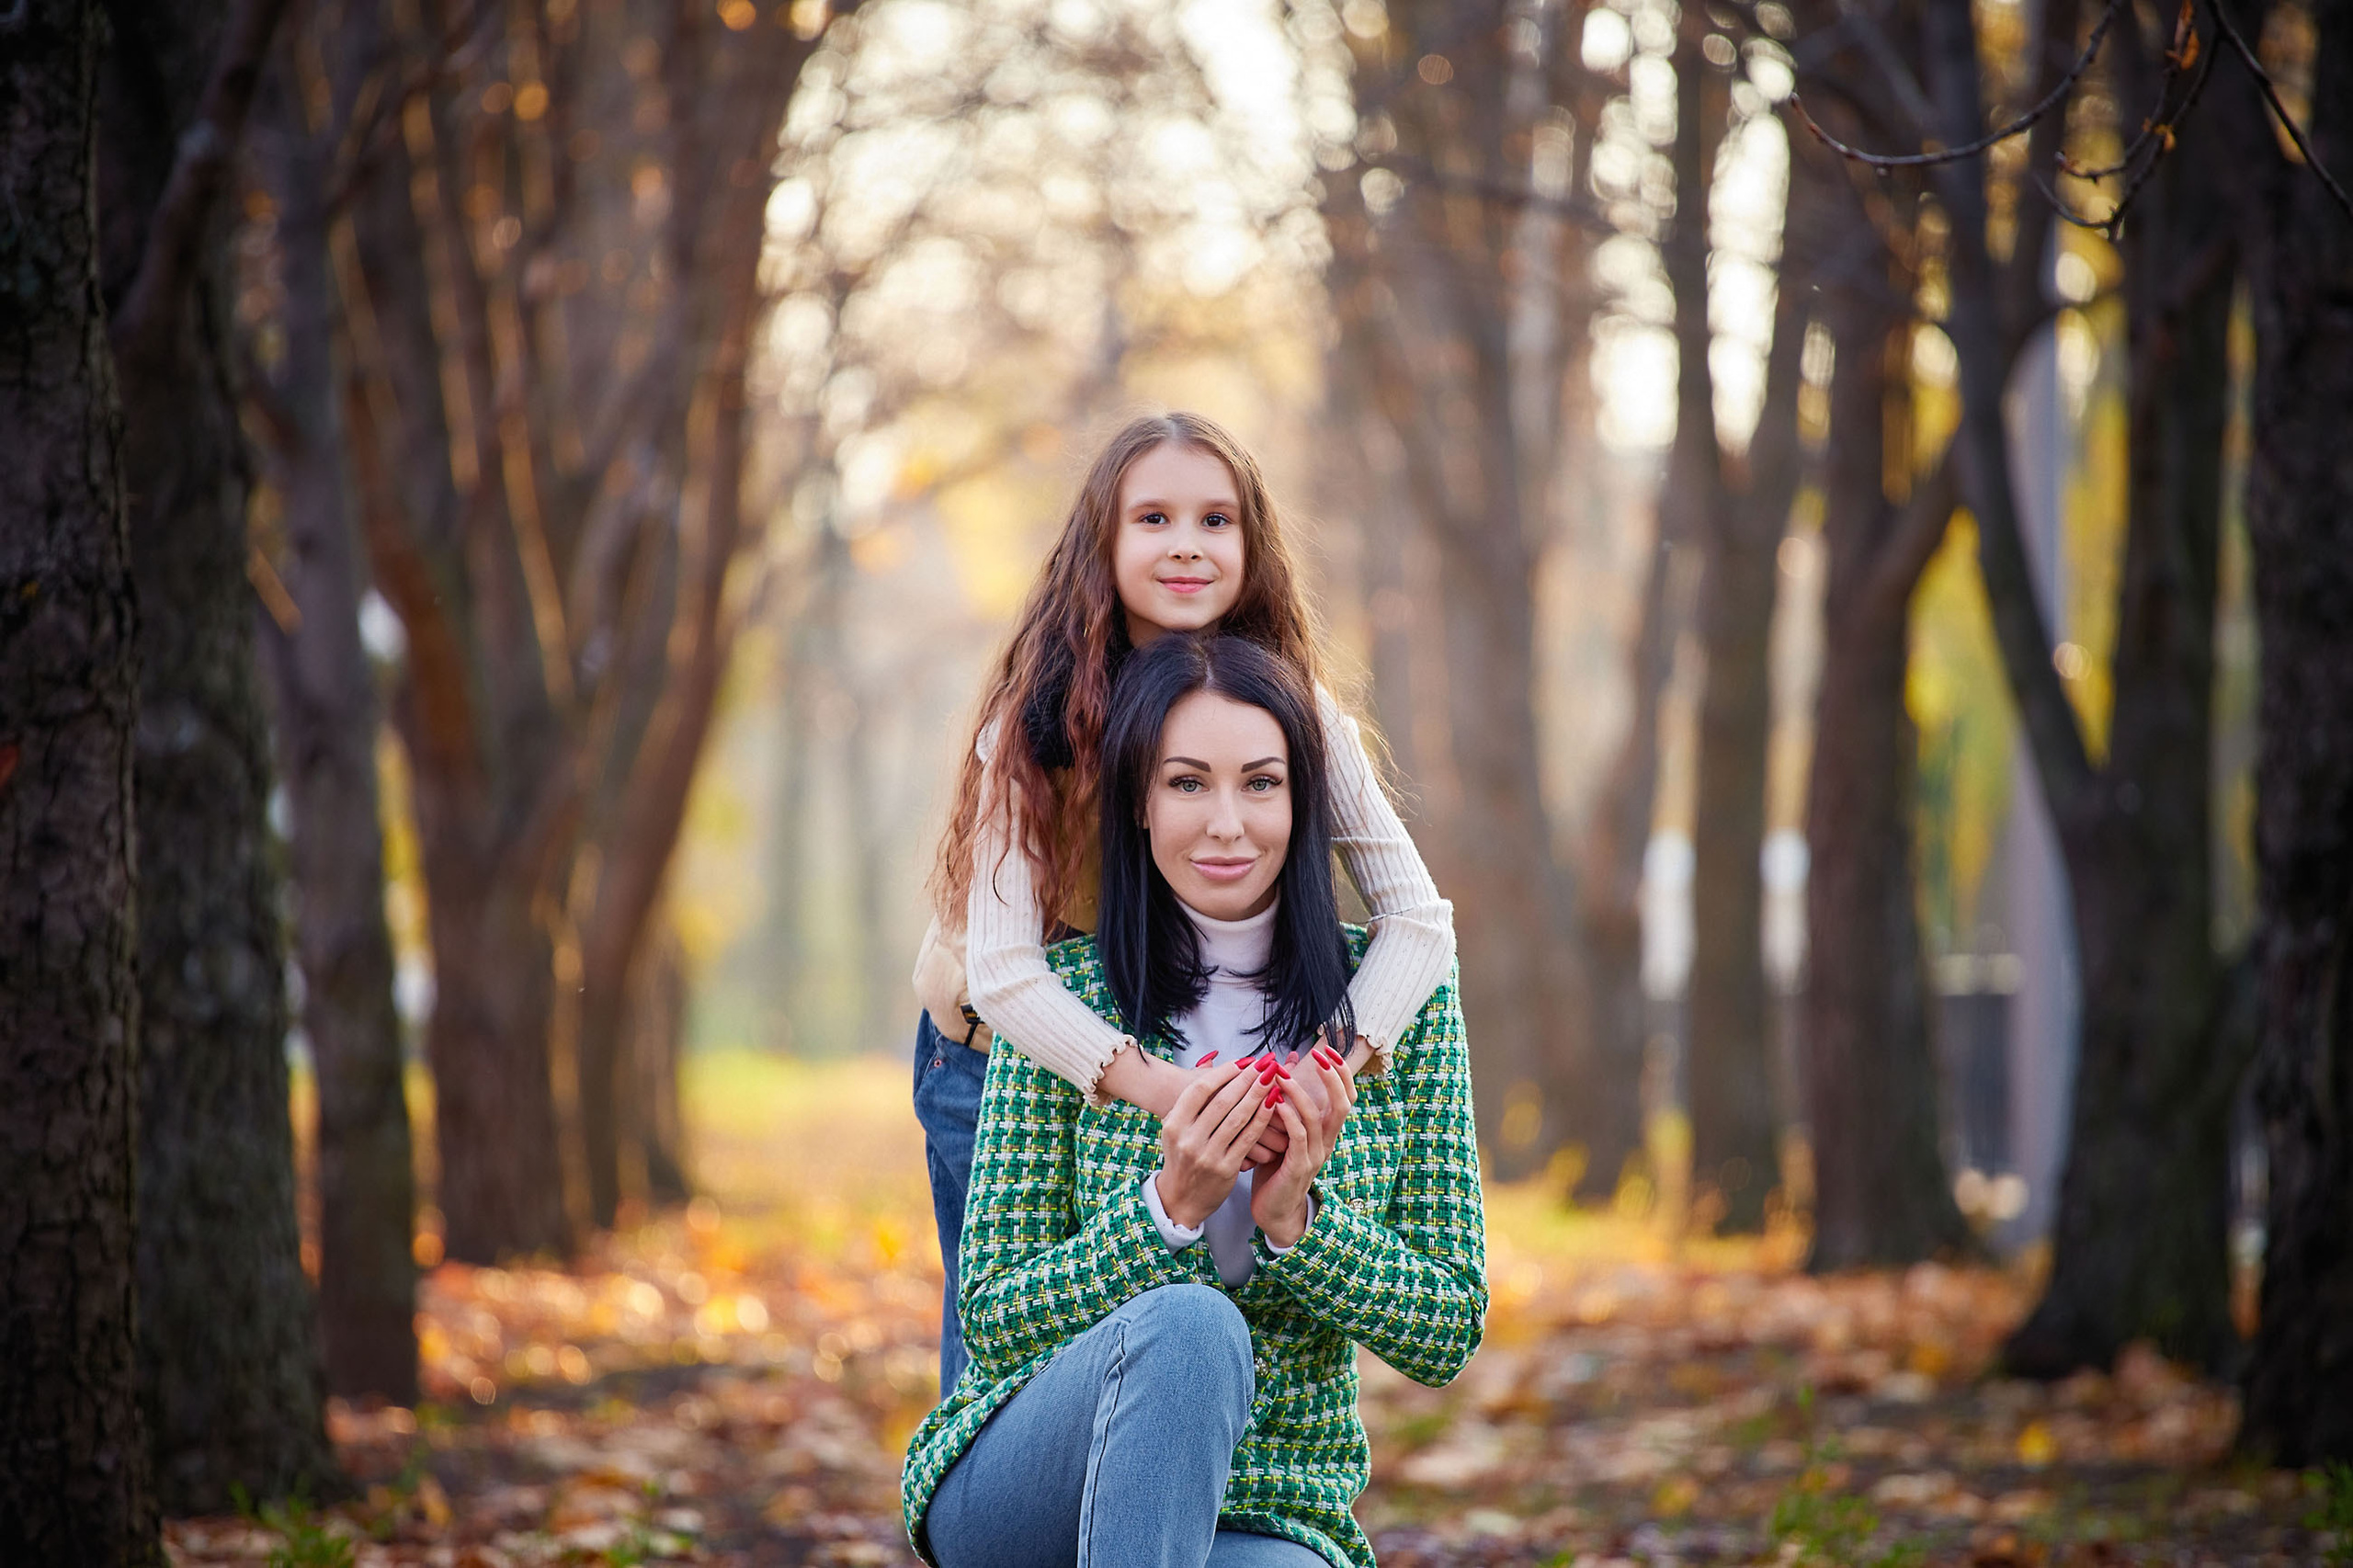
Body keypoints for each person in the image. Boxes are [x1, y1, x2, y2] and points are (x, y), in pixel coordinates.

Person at [903, 633, 1484, 1568]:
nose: (1226, 822)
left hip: (1269, 1516)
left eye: (1261, 782)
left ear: (1306, 803)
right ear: (1138, 800)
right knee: (1189, 1324)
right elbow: (997, 1316)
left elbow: (1446, 1323)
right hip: (1028, 1485)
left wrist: (1296, 1222)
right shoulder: (1067, 1002)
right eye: (1186, 782)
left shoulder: (1390, 1005)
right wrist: (1165, 1212)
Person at [912, 411, 1455, 1391]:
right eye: (1153, 518)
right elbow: (1002, 973)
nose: (1187, 546)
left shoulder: (1292, 713)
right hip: (1000, 1059)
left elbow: (1417, 921)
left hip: (1171, 1029)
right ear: (1103, 545)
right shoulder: (1035, 720)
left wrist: (1317, 1065)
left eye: (1216, 520)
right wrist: (1181, 1095)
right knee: (998, 1369)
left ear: (1251, 548)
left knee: (1169, 1325)